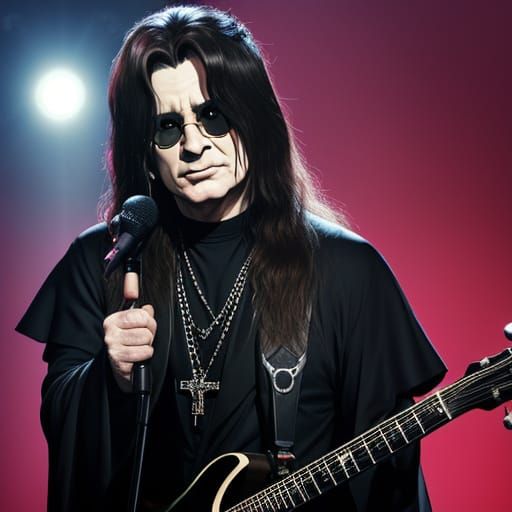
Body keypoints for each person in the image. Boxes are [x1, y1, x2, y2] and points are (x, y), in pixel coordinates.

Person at [17, 5, 447, 511]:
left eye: (213, 116)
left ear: (254, 119)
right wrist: (109, 376)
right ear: (144, 150)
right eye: (167, 127)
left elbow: (393, 480)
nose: (194, 145)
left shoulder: (346, 270)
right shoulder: (103, 259)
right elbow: (62, 435)